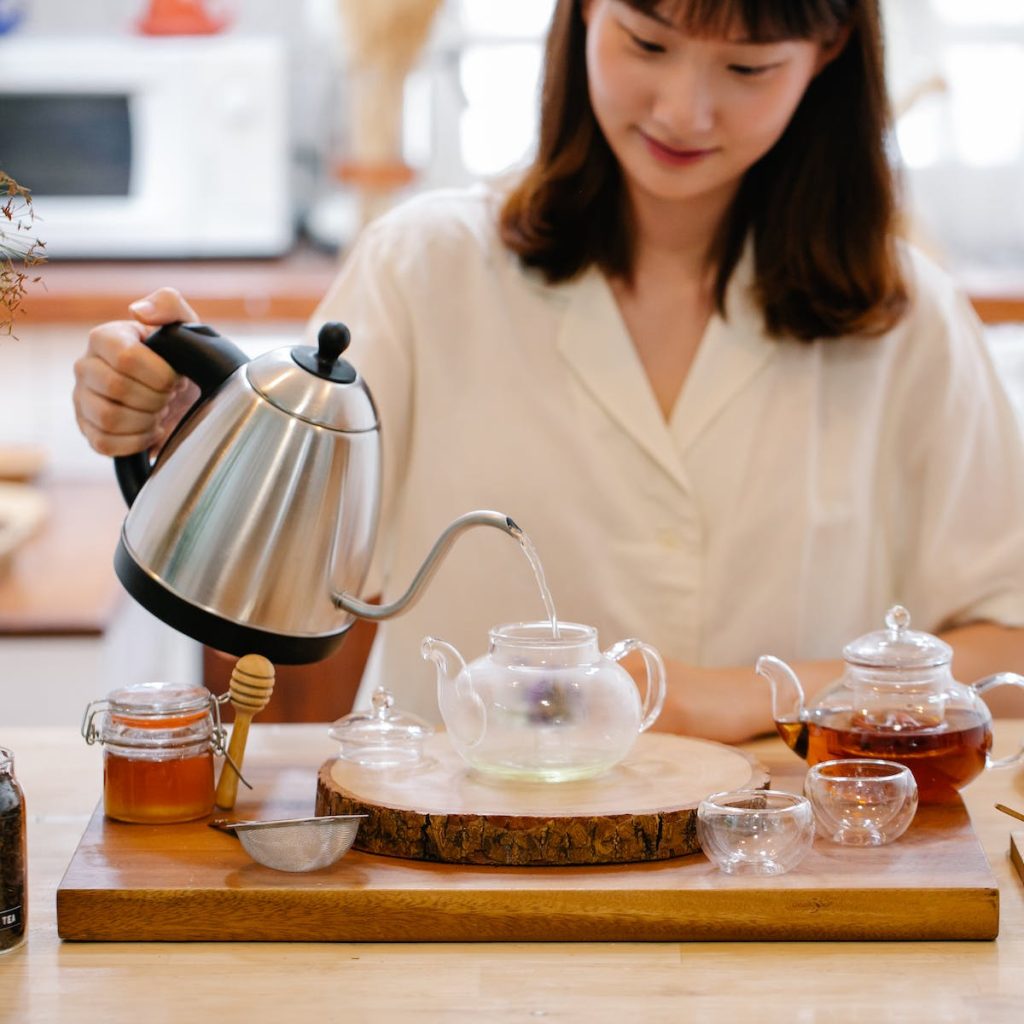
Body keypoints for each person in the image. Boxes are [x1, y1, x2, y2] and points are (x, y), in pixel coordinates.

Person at [72, 0, 1024, 741]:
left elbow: (1008, 650)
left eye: (747, 67)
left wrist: (750, 697)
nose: (684, 109)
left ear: (827, 60)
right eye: (647, 43)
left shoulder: (906, 319)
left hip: (782, 882)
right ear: (580, 18)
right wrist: (196, 444)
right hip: (463, 889)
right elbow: (273, 622)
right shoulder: (424, 269)